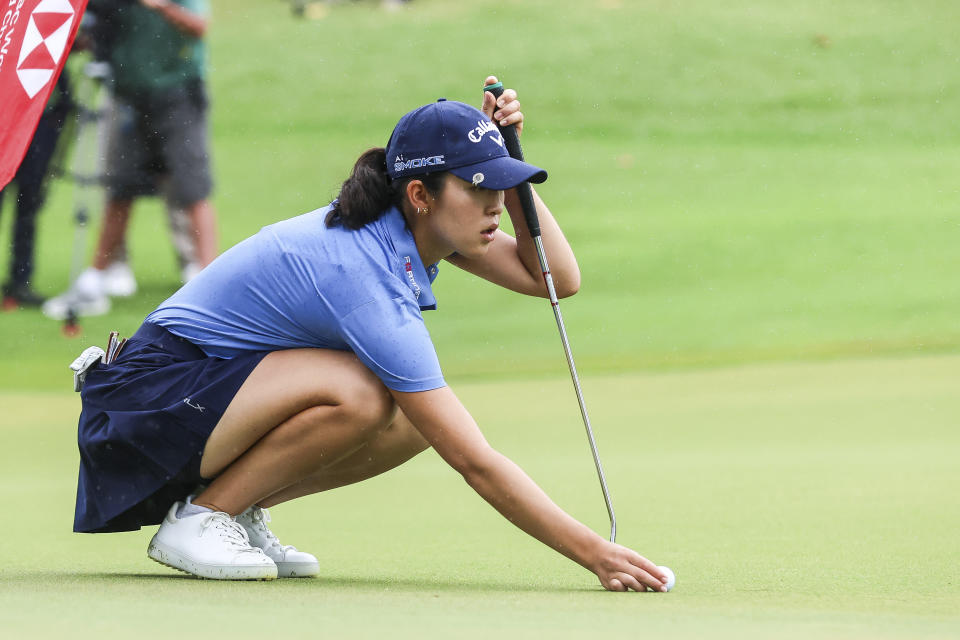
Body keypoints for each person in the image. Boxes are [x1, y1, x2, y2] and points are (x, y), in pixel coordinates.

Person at [72, 77, 670, 591]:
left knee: (411, 424)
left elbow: (556, 280)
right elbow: (475, 460)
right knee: (363, 393)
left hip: (198, 406)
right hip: (141, 408)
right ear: (420, 194)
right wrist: (595, 554)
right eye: (479, 189)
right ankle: (204, 517)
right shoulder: (362, 268)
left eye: (498, 188)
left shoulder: (415, 228)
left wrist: (509, 170)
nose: (494, 205)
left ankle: (235, 507)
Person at [43, 0, 217, 320]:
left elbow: (199, 27)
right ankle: (97, 276)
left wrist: (162, 6)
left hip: (178, 93)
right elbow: (98, 32)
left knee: (192, 188)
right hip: (127, 95)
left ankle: (212, 281)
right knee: (120, 187)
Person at [0, 74, 73, 309]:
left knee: (29, 203)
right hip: (10, 111)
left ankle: (20, 281)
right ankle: (19, 281)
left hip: (39, 115)